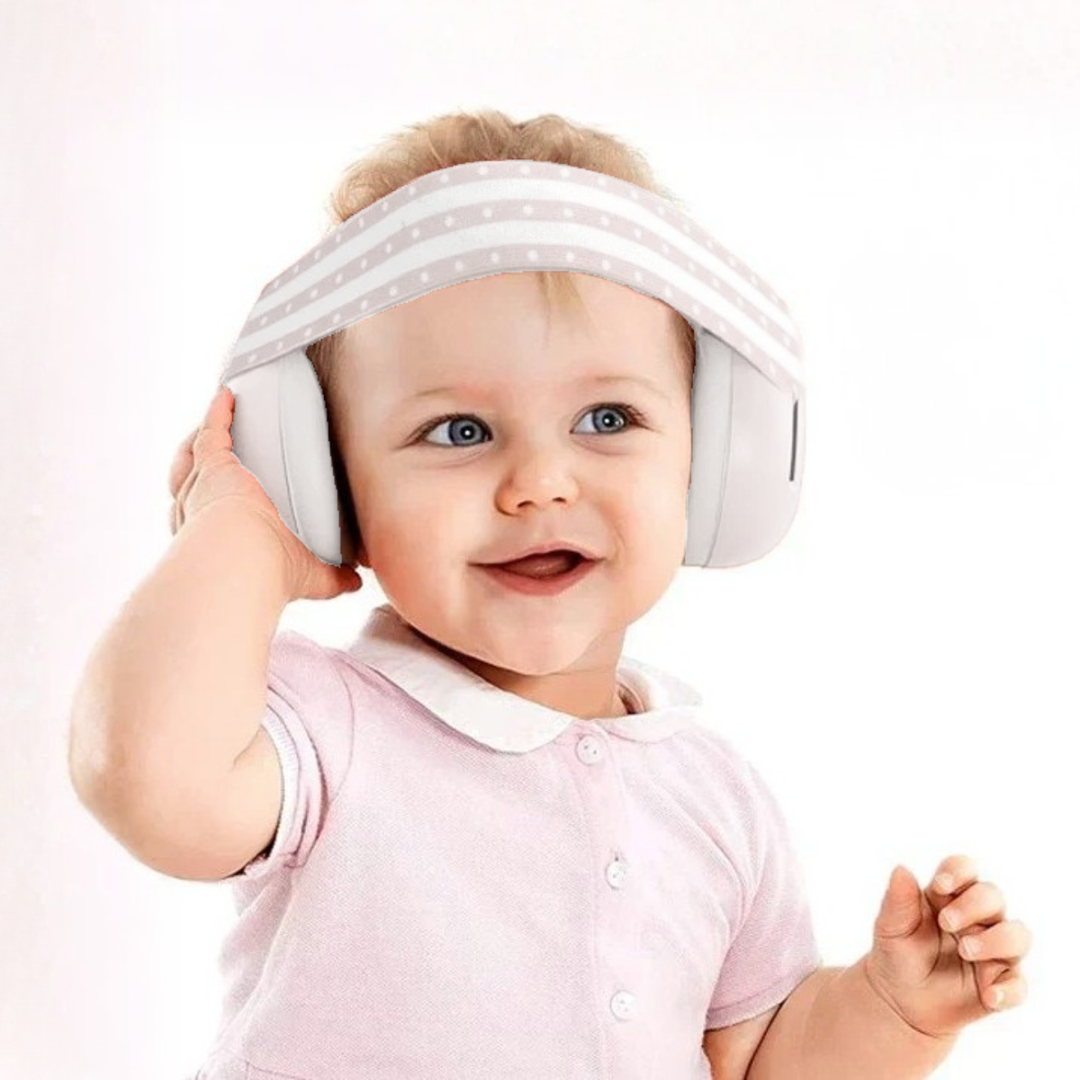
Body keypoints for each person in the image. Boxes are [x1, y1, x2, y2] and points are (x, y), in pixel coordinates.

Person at [67, 109, 1030, 1080]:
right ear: (326, 480)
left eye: (606, 417)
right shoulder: (323, 728)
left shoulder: (715, 796)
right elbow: (151, 781)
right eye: (456, 431)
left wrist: (891, 1012)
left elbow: (755, 1064)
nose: (539, 482)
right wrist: (243, 531)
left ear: (715, 463)